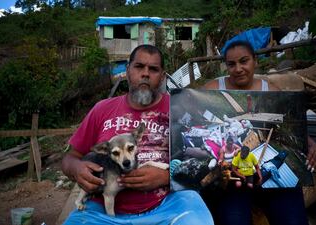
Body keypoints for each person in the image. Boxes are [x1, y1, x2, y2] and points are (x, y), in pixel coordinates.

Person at [61, 44, 214, 225]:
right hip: (103, 209)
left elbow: (205, 157)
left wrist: (166, 177)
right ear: (127, 71)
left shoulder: (179, 108)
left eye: (154, 69)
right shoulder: (102, 109)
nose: (146, 74)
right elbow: (70, 158)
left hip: (170, 204)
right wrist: (76, 169)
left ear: (162, 76)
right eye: (139, 67)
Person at [201, 40, 316, 225]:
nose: (238, 69)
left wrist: (309, 143)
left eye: (244, 61)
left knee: (293, 220)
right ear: (226, 66)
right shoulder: (211, 90)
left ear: (255, 61)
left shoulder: (271, 90)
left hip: (269, 175)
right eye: (231, 64)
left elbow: (289, 124)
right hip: (233, 180)